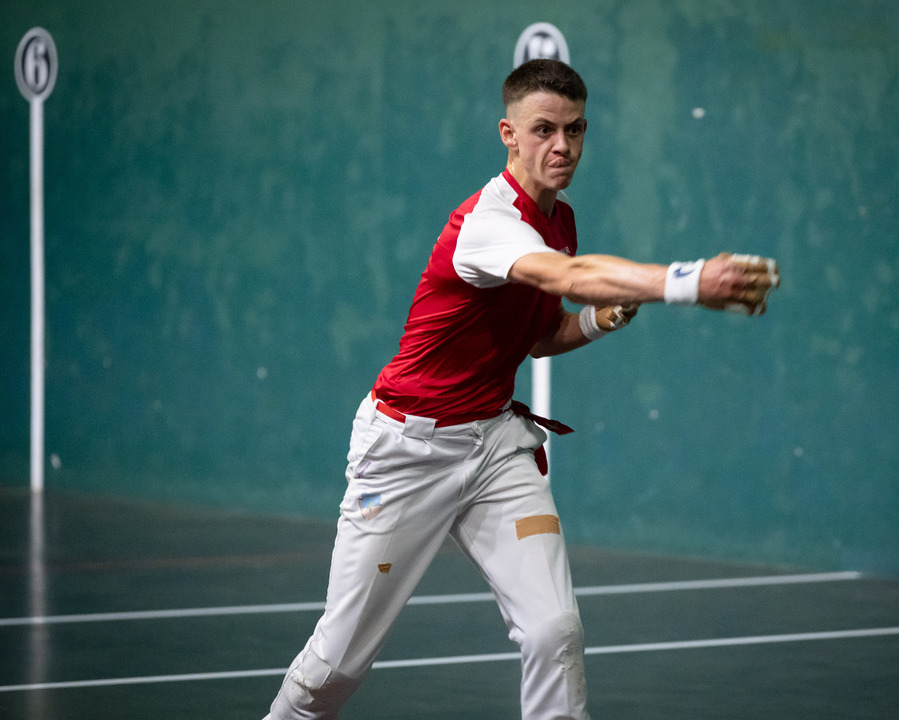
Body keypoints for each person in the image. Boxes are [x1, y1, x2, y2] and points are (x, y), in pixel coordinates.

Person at [264, 58, 779, 720]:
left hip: (494, 449)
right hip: (407, 452)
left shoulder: (558, 218)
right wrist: (688, 281)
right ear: (508, 133)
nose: (562, 146)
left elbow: (537, 335)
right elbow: (572, 274)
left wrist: (596, 321)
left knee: (553, 632)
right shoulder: (485, 223)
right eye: (544, 130)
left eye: (575, 129)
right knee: (336, 666)